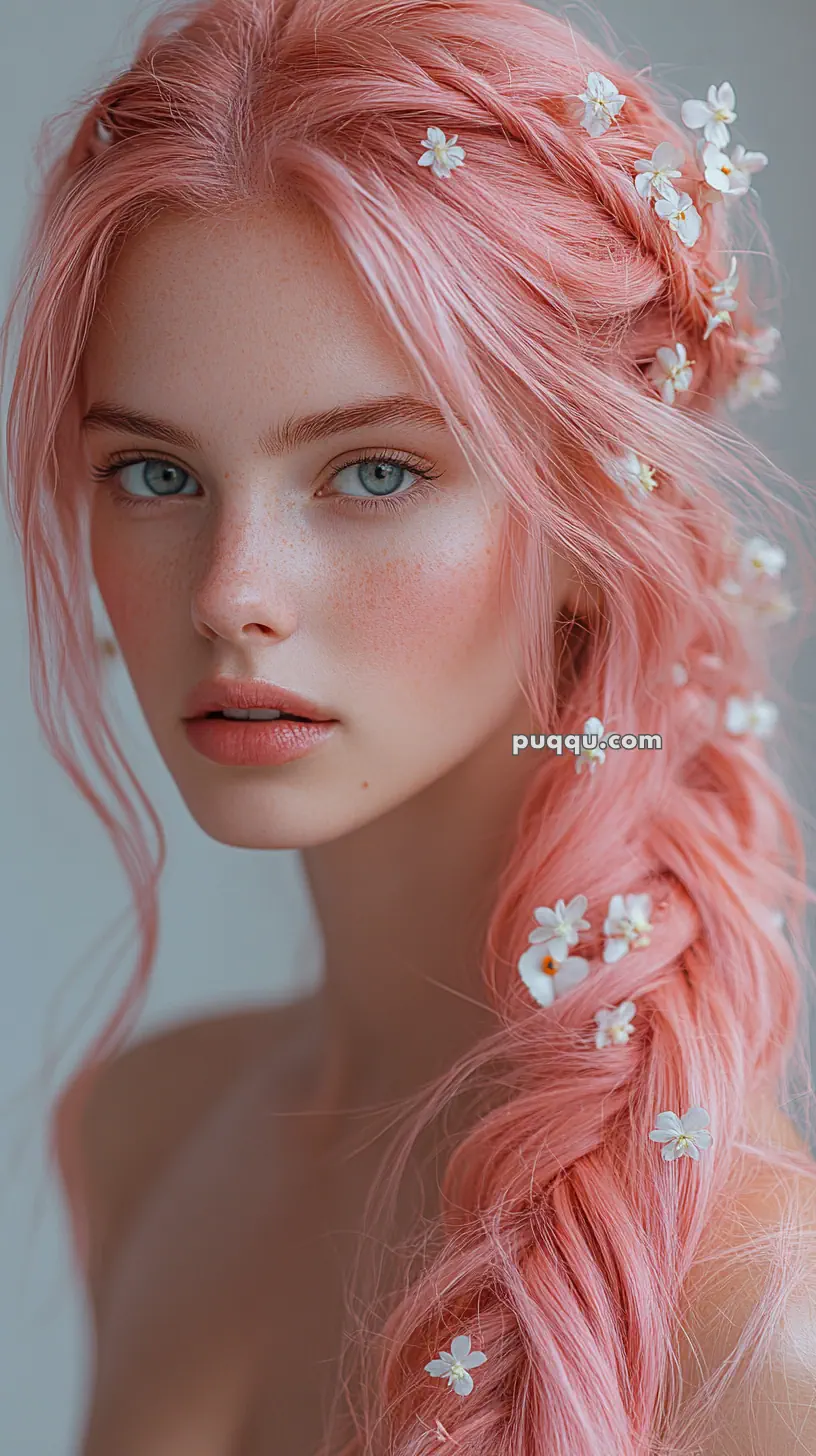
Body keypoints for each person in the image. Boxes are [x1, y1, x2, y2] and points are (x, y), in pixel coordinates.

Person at [3, 0, 816, 1451]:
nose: (234, 596)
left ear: (595, 514)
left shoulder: (747, 1316)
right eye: (155, 474)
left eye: (372, 473)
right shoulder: (145, 1127)